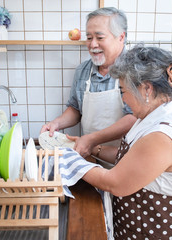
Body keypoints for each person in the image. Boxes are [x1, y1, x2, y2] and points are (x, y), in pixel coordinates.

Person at [74, 45, 172, 239]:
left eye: (123, 91)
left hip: (162, 230)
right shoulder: (154, 115)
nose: (123, 99)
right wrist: (93, 148)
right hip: (145, 225)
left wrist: (71, 163)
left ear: (146, 88)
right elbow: (130, 160)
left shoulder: (160, 136)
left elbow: (115, 182)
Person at [40, 7, 136, 158]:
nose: (93, 45)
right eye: (89, 38)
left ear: (121, 37)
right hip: (89, 157)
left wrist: (92, 140)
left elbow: (134, 118)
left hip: (125, 160)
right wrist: (56, 124)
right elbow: (76, 109)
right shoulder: (83, 71)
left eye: (100, 37)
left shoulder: (136, 70)